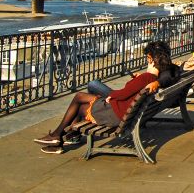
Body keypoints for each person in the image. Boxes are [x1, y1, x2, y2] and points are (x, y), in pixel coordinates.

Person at [35, 41, 173, 155]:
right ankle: (59, 138)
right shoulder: (153, 79)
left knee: (79, 98)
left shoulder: (146, 78)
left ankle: (57, 136)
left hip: (116, 115)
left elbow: (123, 94)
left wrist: (111, 96)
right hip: (124, 112)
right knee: (81, 105)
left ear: (150, 58)